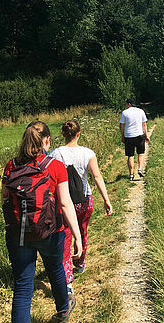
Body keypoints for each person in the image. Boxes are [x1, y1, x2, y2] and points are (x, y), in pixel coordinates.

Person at [2, 121, 82, 323]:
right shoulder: (55, 166)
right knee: (55, 269)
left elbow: (4, 198)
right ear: (47, 141)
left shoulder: (11, 166)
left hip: (18, 232)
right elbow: (65, 204)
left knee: (22, 286)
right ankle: (63, 309)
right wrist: (77, 237)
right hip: (51, 232)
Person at [50, 120, 113, 290]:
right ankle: (80, 262)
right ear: (79, 134)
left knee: (66, 236)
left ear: (63, 134)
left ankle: (66, 275)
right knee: (82, 231)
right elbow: (97, 177)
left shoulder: (54, 154)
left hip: (63, 203)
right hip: (84, 200)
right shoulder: (88, 153)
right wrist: (106, 199)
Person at [119, 98, 150, 181]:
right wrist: (146, 136)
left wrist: (122, 136)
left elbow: (121, 125)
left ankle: (131, 174)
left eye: (126, 104)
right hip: (139, 135)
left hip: (129, 136)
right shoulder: (140, 111)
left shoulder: (125, 113)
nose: (125, 106)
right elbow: (144, 124)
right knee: (141, 153)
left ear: (129, 104)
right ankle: (140, 169)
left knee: (130, 155)